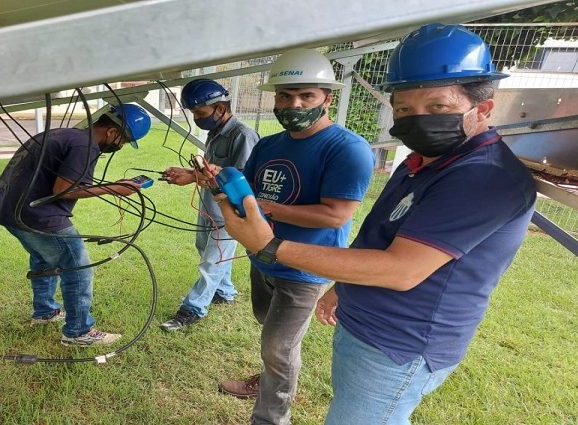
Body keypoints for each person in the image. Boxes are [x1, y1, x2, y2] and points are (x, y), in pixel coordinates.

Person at [217, 24, 537, 425]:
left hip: (400, 344)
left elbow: (400, 270)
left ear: (484, 108)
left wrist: (269, 244)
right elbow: (379, 235)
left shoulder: (482, 178)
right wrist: (343, 287)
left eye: (437, 107)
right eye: (404, 109)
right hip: (367, 325)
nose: (416, 119)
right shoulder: (423, 161)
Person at [215, 49, 375, 425]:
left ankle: (272, 417)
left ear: (327, 98)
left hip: (305, 267)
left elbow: (336, 214)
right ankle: (271, 378)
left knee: (278, 346)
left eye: (306, 96)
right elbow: (250, 189)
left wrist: (267, 209)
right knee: (270, 333)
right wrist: (224, 185)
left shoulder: (346, 148)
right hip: (262, 257)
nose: (294, 104)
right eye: (285, 96)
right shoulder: (269, 145)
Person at [0, 103, 152, 346]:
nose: (118, 147)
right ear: (113, 133)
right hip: (37, 214)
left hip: (9, 209)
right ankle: (78, 331)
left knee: (45, 257)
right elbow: (63, 190)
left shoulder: (65, 134)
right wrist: (114, 189)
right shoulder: (86, 146)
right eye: (123, 142)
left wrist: (113, 185)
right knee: (77, 266)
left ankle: (45, 312)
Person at [160, 79, 259, 331]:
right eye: (194, 113)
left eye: (200, 113)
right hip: (209, 206)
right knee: (203, 246)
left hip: (230, 211)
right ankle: (225, 292)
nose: (197, 118)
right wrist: (188, 172)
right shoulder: (215, 133)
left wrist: (191, 178)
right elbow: (212, 173)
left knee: (212, 261)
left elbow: (241, 179)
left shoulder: (243, 135)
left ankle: (192, 308)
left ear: (221, 108)